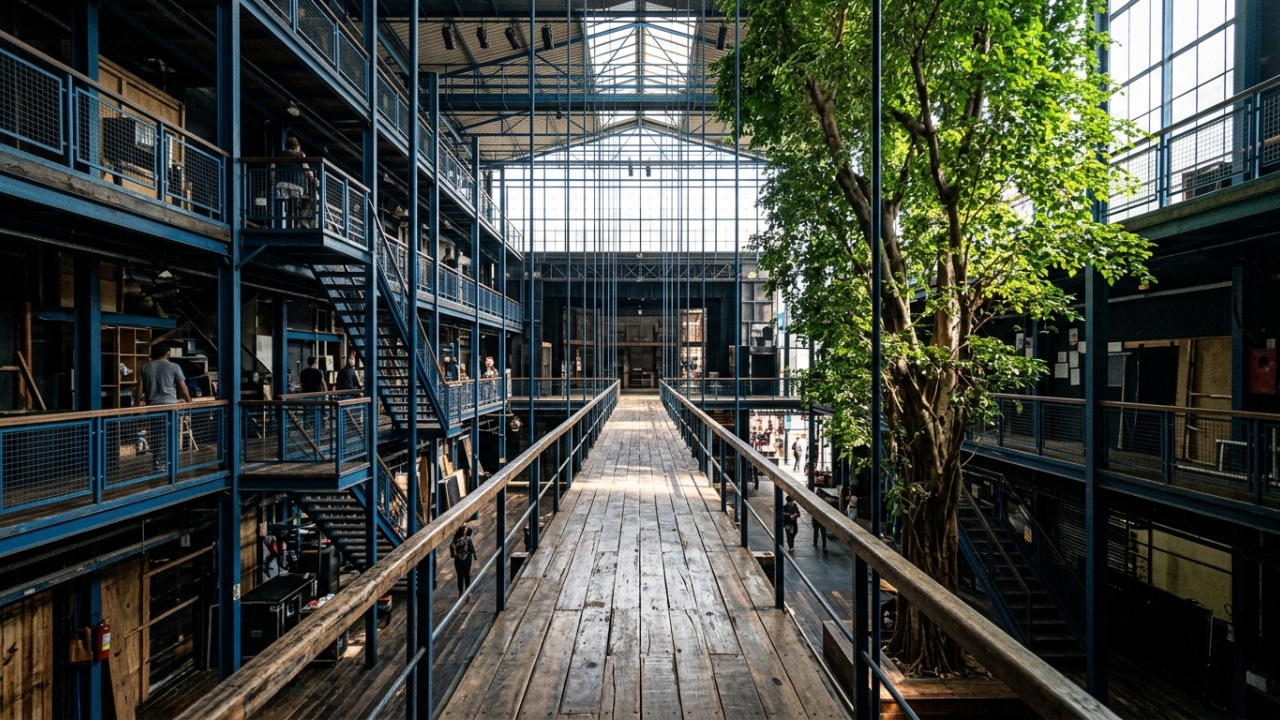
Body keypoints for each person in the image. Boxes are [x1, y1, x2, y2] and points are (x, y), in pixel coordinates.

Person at [450, 525, 477, 594]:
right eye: (464, 530)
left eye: (466, 530)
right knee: (460, 575)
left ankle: (467, 591)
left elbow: (471, 546)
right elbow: (452, 545)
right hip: (459, 558)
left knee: (467, 575)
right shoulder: (457, 539)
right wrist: (454, 551)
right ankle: (460, 591)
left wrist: (474, 554)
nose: (465, 532)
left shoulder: (467, 538)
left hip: (467, 557)